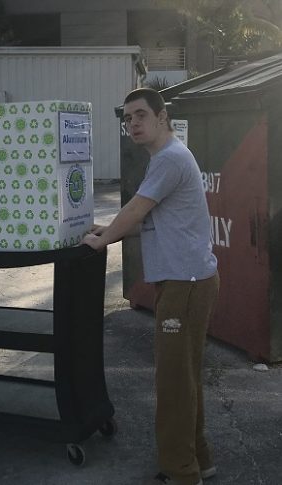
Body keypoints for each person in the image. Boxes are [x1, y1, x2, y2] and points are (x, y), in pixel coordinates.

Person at [82, 88, 219, 485]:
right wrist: (111, 229)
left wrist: (103, 240)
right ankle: (198, 460)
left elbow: (136, 209)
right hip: (186, 280)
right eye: (127, 119)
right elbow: (149, 218)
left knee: (174, 382)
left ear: (162, 117)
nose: (133, 124)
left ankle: (181, 472)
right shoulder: (166, 158)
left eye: (140, 115)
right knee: (184, 377)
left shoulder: (170, 159)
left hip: (185, 284)